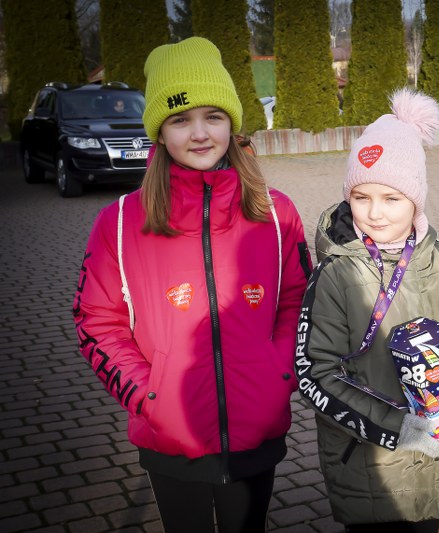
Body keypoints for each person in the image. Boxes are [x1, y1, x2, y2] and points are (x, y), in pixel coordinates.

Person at [73, 37, 311, 532]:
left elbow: (298, 302)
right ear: (160, 132)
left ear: (232, 124)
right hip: (170, 440)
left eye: (213, 116)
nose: (200, 133)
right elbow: (96, 321)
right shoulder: (120, 222)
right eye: (180, 119)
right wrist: (149, 396)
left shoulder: (276, 213)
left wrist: (279, 373)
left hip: (257, 432)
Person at [295, 87, 439, 532]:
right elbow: (315, 373)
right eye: (361, 197)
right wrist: (396, 428)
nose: (375, 213)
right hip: (371, 467)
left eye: (392, 198)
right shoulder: (336, 275)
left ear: (416, 199)